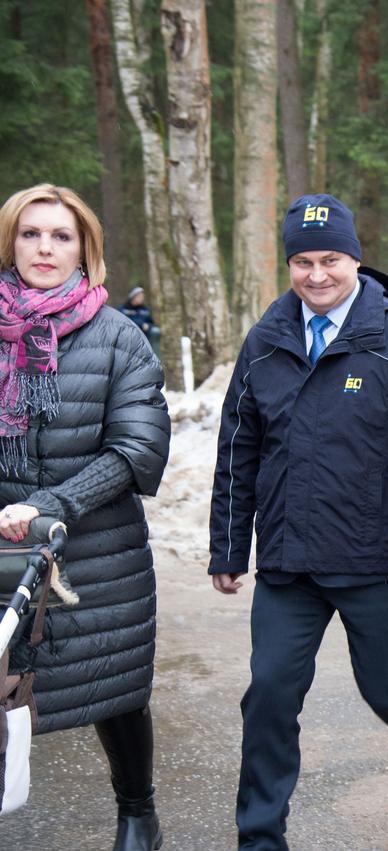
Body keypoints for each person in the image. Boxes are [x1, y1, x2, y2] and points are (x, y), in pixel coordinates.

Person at [208, 194, 388, 848]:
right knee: (268, 694)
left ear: (355, 258)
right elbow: (237, 445)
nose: (316, 274)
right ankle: (260, 835)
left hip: (374, 561)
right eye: (302, 260)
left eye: (330, 258)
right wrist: (227, 545)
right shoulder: (267, 338)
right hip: (289, 563)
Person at [0, 184, 170, 851]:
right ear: (10, 241)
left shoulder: (118, 337)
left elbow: (137, 447)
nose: (45, 247)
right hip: (3, 545)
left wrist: (52, 505)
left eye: (61, 235)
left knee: (114, 685)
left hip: (99, 547)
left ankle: (138, 812)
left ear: (85, 248)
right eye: (31, 233)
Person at [118, 285, 161, 353]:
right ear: (133, 297)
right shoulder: (123, 309)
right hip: (127, 344)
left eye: (142, 296)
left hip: (144, 343)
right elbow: (123, 323)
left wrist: (148, 326)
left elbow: (151, 323)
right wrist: (141, 325)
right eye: (140, 296)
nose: (142, 298)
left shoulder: (145, 310)